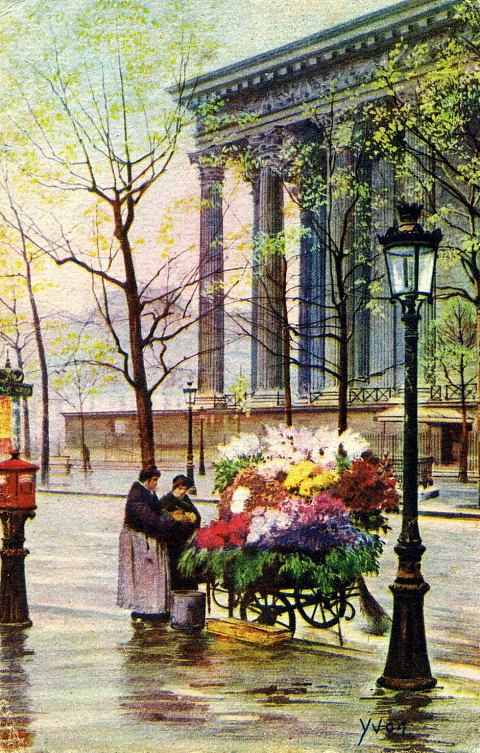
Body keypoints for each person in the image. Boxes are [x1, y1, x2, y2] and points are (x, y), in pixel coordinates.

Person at [117, 467, 190, 628]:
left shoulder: (148, 493)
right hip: (139, 539)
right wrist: (173, 521)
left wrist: (172, 518)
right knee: (145, 575)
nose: (156, 484)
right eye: (154, 480)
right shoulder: (137, 494)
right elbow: (149, 519)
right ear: (146, 480)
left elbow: (158, 512)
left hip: (148, 537)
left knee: (151, 575)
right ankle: (144, 609)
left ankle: (153, 608)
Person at [158, 475, 201, 591]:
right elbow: (162, 521)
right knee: (175, 572)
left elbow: (197, 516)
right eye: (180, 489)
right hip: (173, 543)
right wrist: (178, 519)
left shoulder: (186, 500)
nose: (182, 492)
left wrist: (192, 520)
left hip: (186, 542)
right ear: (174, 487)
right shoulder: (166, 501)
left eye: (184, 489)